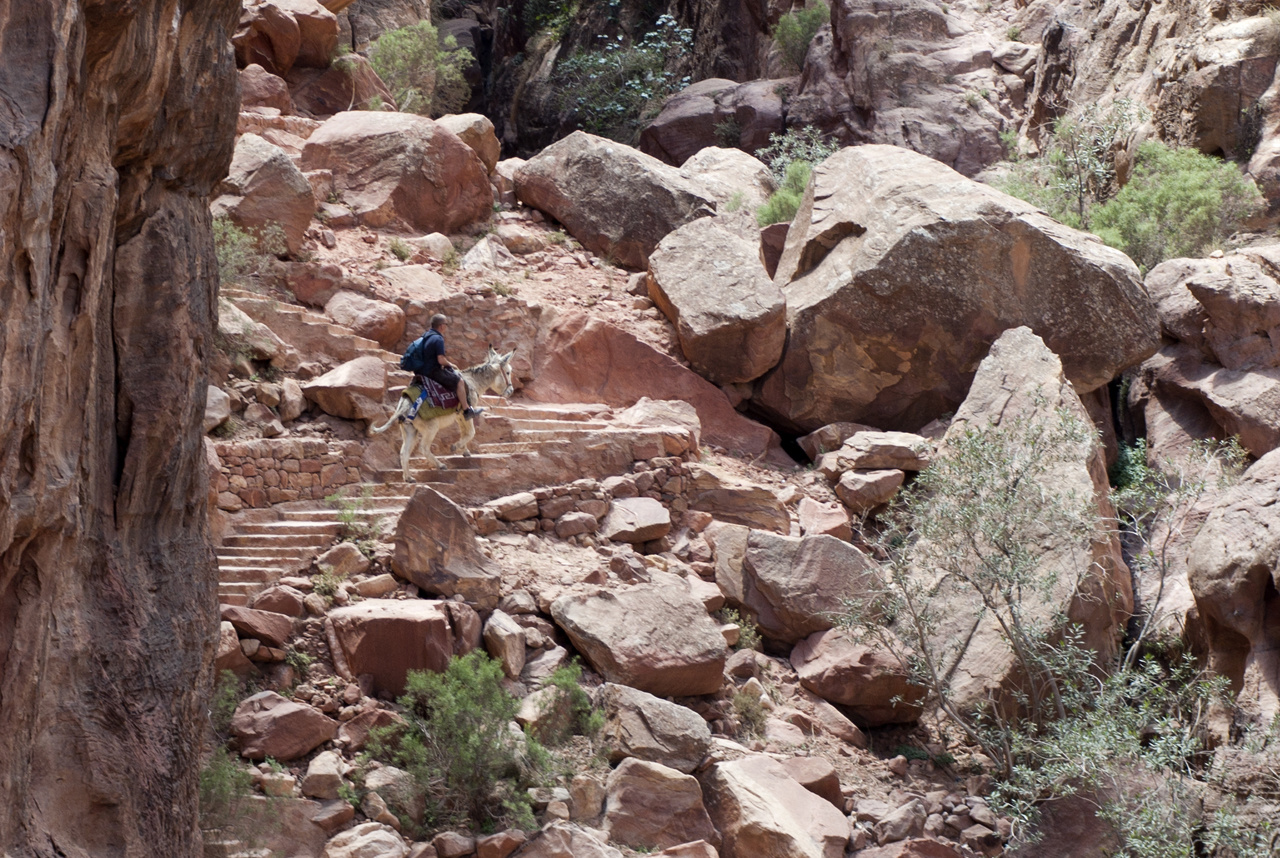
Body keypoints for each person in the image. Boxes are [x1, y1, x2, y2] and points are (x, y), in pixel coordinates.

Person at [419, 314, 483, 420]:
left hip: (421, 370)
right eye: (446, 324)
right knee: (459, 382)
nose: (446, 327)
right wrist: (450, 364)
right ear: (442, 326)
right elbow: (441, 359)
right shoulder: (438, 338)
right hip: (432, 372)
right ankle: (467, 410)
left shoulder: (425, 336)